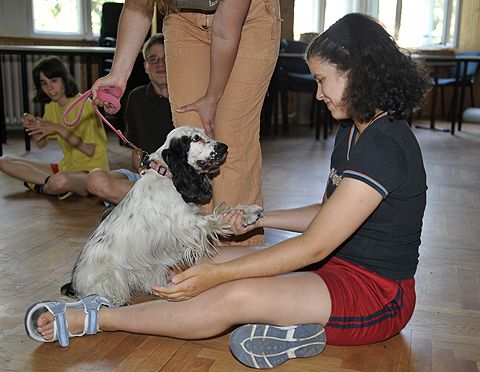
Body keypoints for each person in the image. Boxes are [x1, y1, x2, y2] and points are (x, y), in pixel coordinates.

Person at [25, 13, 430, 369]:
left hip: (376, 296)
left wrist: (217, 276)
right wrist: (256, 216)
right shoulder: (352, 131)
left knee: (228, 292)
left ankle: (92, 318)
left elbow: (313, 246)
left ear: (357, 73)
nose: (318, 93)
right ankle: (291, 327)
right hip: (334, 268)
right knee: (200, 254)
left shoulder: (385, 147)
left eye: (323, 81)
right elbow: (327, 212)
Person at [90, 0, 281, 245]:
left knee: (231, 142)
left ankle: (239, 255)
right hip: (182, 20)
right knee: (190, 146)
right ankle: (199, 249)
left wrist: (212, 96)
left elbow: (225, 31)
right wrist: (118, 74)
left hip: (247, 20)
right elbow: (138, 5)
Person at [0, 57, 109, 200]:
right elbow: (41, 144)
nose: (49, 88)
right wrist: (34, 127)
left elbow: (89, 150)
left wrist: (58, 128)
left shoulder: (85, 105)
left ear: (64, 79)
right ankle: (50, 185)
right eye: (44, 83)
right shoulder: (51, 106)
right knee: (4, 161)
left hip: (92, 172)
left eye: (54, 81)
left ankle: (40, 185)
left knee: (60, 181)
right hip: (67, 167)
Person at [86, 34, 173, 210]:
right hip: (148, 179)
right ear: (146, 67)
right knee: (95, 180)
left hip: (176, 181)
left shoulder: (189, 96)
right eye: (153, 59)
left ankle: (135, 207)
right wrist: (140, 176)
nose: (159, 64)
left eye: (165, 58)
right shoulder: (136, 98)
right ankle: (153, 208)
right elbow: (137, 151)